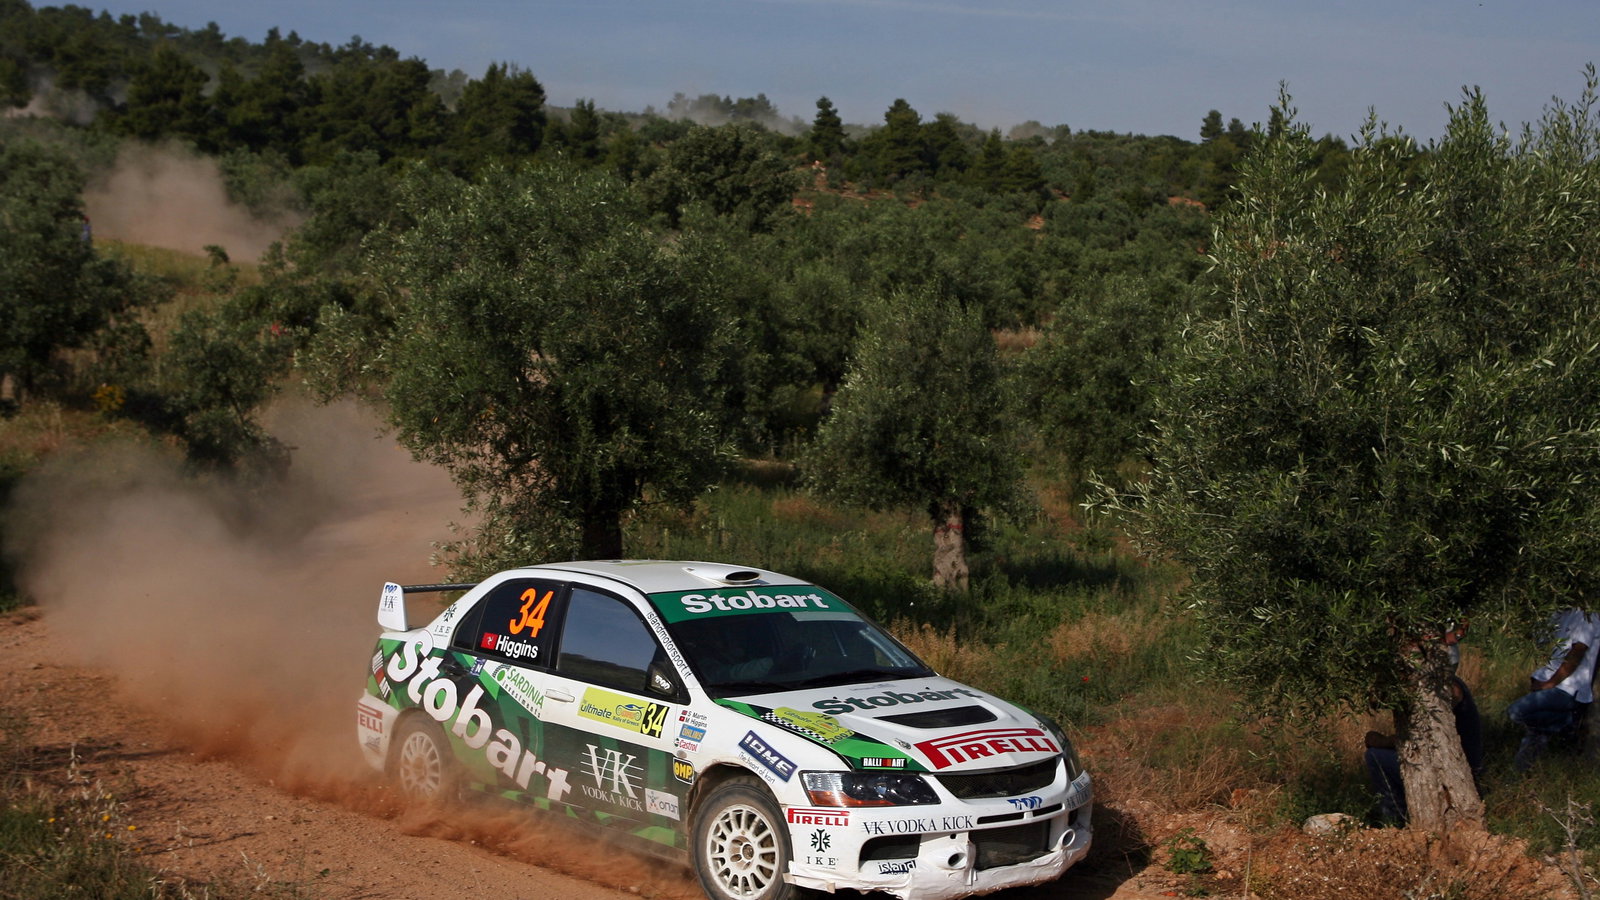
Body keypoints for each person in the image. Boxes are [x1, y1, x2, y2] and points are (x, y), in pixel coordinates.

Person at [1365, 673, 1484, 824]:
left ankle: (1395, 820)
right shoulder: (1449, 683)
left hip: (1452, 769)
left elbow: (1421, 740)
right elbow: (1376, 702)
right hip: (1457, 766)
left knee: (1375, 756)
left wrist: (1381, 741)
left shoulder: (1447, 688)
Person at [1507, 607, 1599, 772]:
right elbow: (1539, 641)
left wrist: (1550, 683)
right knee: (1535, 737)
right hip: (1549, 683)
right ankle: (1519, 775)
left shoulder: (1587, 616)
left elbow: (1576, 653)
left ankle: (1566, 723)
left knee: (1516, 711)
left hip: (1568, 689)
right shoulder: (1560, 613)